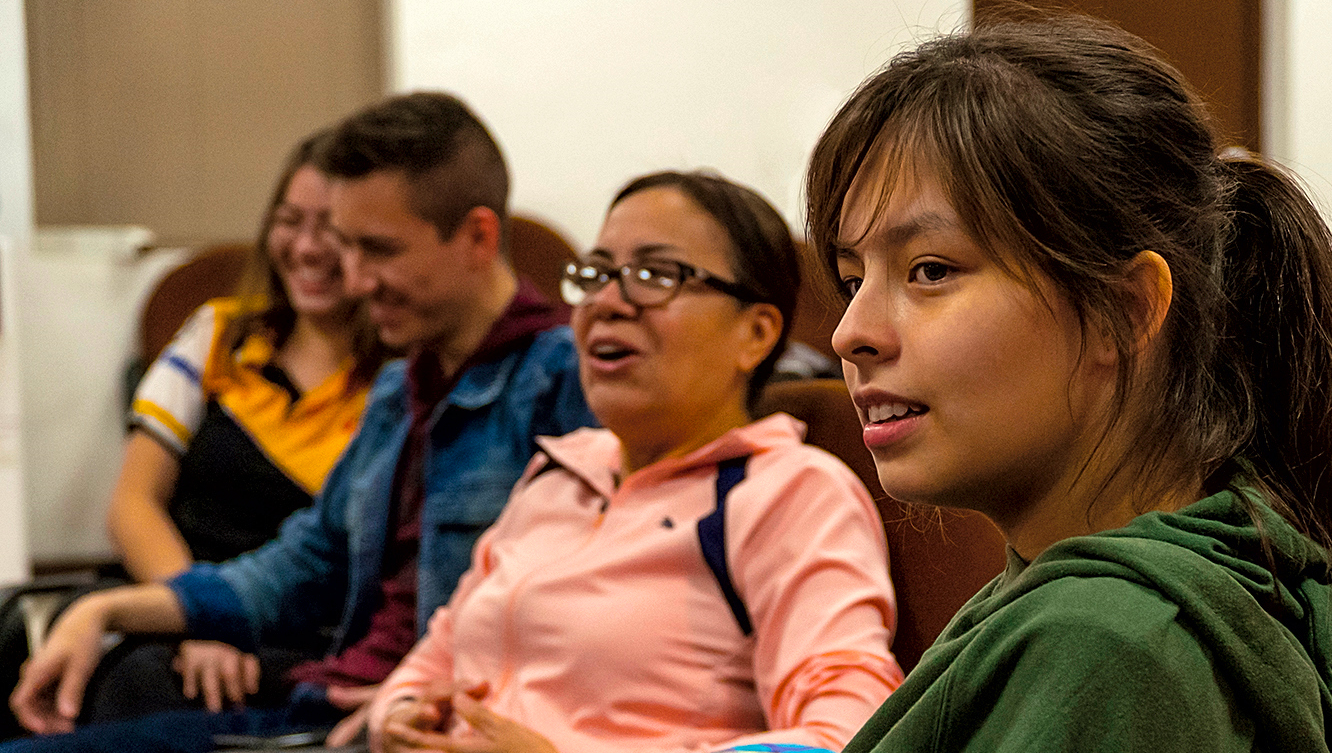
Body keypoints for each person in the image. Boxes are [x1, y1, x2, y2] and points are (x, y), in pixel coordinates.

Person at [806, 17, 1332, 753]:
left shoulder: (1111, 646)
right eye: (851, 278)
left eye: (931, 270)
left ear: (1123, 310)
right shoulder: (1243, 546)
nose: (850, 333)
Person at [5, 91, 595, 752]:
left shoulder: (565, 381)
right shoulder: (402, 388)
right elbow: (301, 564)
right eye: (351, 248)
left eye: (380, 249)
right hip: (327, 706)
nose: (357, 278)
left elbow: (597, 607)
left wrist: (419, 690)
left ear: (477, 237)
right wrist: (103, 608)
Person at [364, 171, 901, 753]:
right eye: (595, 274)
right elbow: (433, 656)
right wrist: (401, 716)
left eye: (655, 275)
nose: (606, 303)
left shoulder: (787, 492)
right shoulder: (558, 475)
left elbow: (846, 736)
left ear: (755, 332)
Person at [69, 128, 394, 726]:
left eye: (331, 230)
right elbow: (133, 504)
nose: (306, 248)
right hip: (166, 600)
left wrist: (226, 620)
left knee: (155, 695)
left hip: (300, 631)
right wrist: (197, 615)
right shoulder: (216, 335)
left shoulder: (401, 383)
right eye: (289, 221)